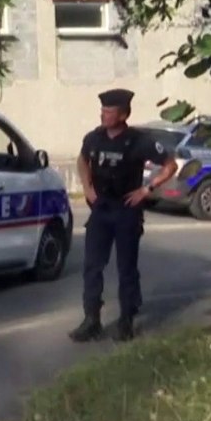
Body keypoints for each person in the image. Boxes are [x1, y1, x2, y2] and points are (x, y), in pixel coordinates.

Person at [70, 88, 177, 343]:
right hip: (101, 209)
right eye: (103, 111)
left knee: (126, 268)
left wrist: (147, 189)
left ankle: (126, 319)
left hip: (126, 210)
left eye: (109, 112)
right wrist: (87, 188)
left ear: (122, 115)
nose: (103, 115)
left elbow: (170, 164)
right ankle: (91, 319)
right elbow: (83, 160)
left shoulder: (140, 140)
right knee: (92, 266)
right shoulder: (93, 138)